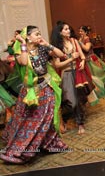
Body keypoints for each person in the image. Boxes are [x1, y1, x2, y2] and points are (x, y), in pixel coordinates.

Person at [0, 25, 68, 164]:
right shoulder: (20, 50)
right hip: (30, 92)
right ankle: (20, 150)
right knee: (29, 121)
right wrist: (24, 44)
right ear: (28, 37)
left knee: (46, 119)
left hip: (46, 88)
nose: (39, 36)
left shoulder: (43, 48)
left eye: (39, 33)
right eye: (36, 34)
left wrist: (47, 44)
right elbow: (24, 62)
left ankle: (48, 144)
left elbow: (61, 55)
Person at [51, 22, 93, 134]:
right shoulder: (57, 47)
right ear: (60, 32)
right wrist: (71, 59)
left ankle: (80, 123)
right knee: (71, 101)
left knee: (80, 99)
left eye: (68, 28)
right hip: (67, 75)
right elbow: (57, 65)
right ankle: (66, 119)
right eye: (65, 29)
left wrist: (83, 61)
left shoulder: (74, 41)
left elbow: (82, 56)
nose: (68, 31)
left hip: (78, 73)